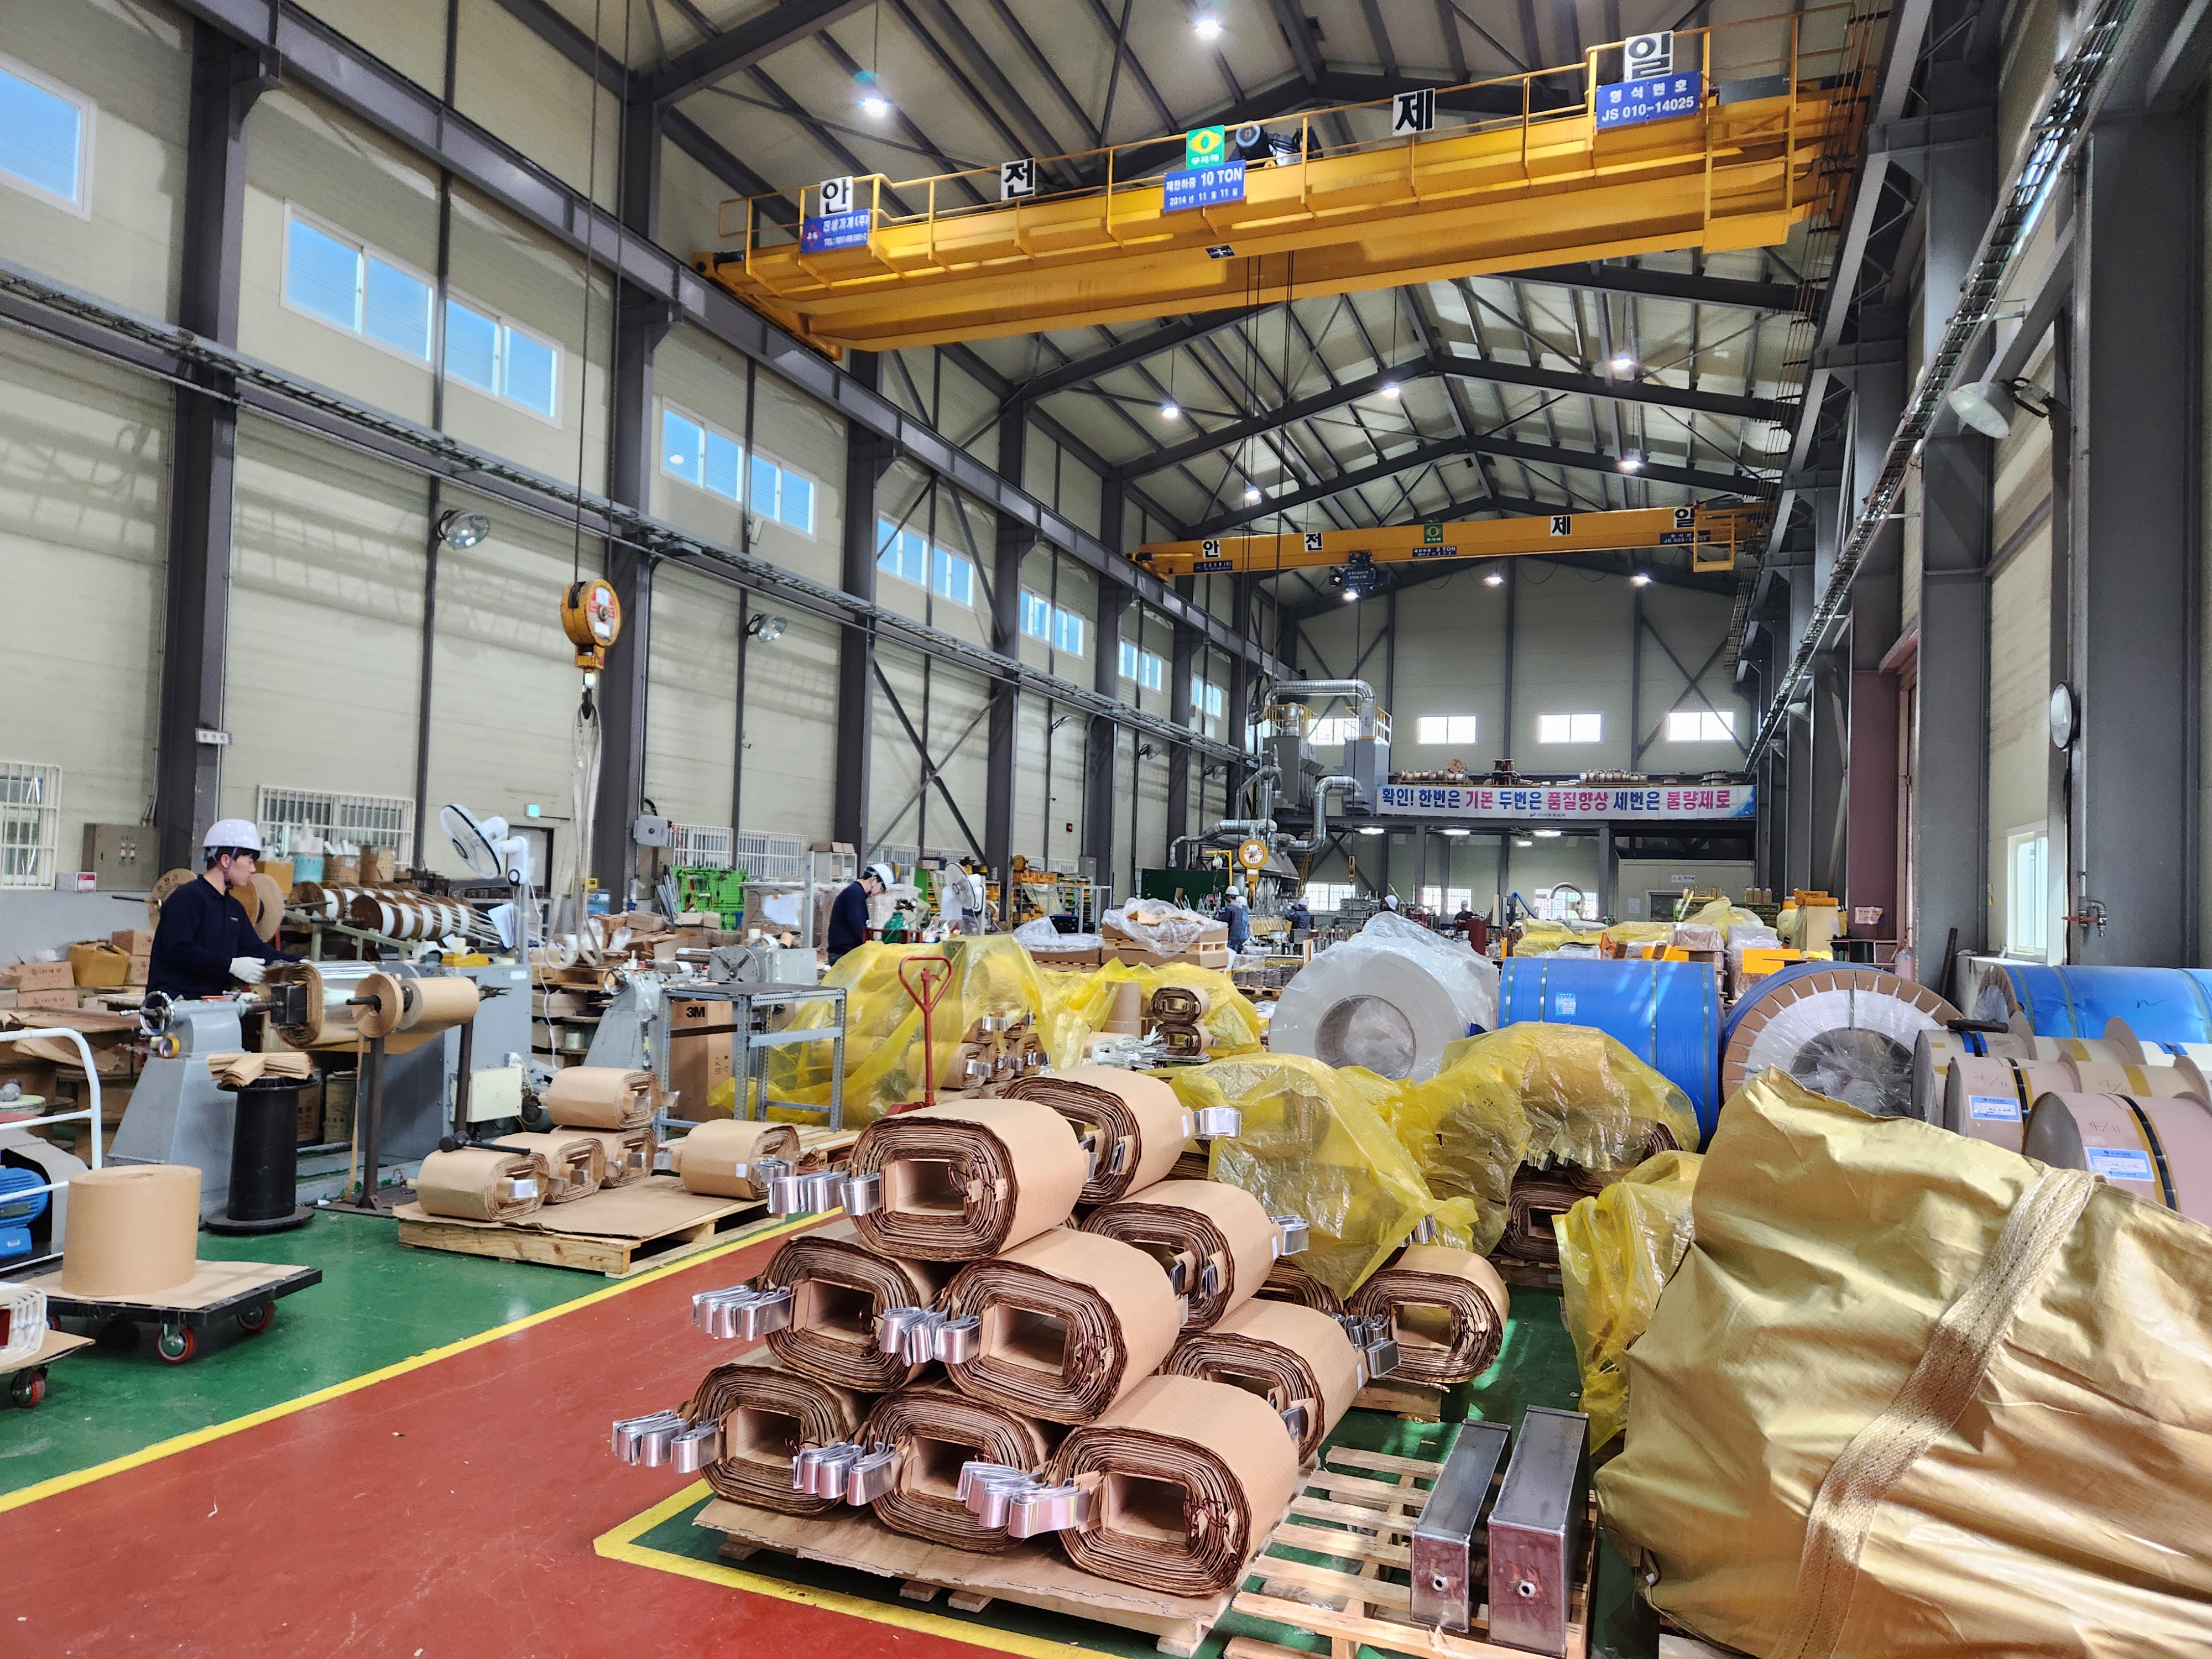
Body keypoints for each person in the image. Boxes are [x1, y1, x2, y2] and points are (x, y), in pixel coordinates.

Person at [148, 820, 289, 1000]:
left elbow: (255, 949)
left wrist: (298, 964)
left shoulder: (233, 908)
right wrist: (229, 965)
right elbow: (179, 949)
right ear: (226, 860)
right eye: (249, 861)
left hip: (212, 1004)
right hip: (176, 1004)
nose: (253, 869)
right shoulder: (187, 898)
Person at [828, 862, 894, 963]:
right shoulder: (855, 894)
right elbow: (858, 924)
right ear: (874, 880)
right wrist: (871, 945)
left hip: (845, 953)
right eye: (881, 888)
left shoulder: (856, 892)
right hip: (845, 955)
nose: (879, 893)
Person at [1222, 885, 1250, 953]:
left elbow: (1223, 920)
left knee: (1228, 955)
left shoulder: (1230, 909)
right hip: (1238, 937)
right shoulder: (1240, 910)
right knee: (1234, 955)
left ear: (1229, 897)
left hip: (1231, 936)